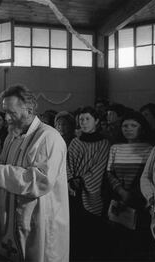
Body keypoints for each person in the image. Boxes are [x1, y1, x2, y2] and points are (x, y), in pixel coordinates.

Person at [0, 85, 69, 262]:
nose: (6, 117)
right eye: (4, 111)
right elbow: (2, 166)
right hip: (11, 217)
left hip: (38, 219)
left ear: (29, 110)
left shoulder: (48, 138)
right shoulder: (12, 136)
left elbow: (41, 181)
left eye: (11, 112)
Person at [106, 111, 154, 260]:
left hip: (140, 201)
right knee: (118, 242)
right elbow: (109, 172)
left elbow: (148, 175)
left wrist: (133, 194)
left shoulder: (149, 149)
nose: (128, 128)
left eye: (133, 125)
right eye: (125, 125)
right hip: (119, 199)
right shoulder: (115, 148)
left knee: (137, 243)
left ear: (142, 128)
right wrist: (121, 191)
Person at [67, 106, 110, 261]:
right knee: (74, 229)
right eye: (81, 119)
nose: (83, 122)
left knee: (91, 229)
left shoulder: (104, 143)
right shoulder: (75, 142)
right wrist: (70, 179)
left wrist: (83, 180)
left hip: (92, 191)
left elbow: (99, 167)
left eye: (87, 119)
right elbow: (66, 163)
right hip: (73, 190)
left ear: (96, 121)